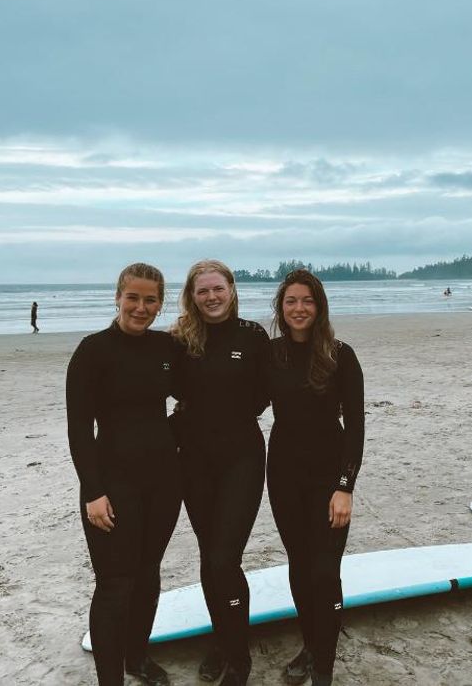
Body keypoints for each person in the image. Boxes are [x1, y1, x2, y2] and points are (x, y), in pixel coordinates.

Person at [66, 263, 180, 686]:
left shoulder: (168, 347)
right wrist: (93, 491)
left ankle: (138, 658)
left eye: (150, 300)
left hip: (165, 481)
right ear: (118, 297)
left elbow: (202, 392)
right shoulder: (93, 351)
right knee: (115, 583)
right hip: (112, 484)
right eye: (133, 297)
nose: (141, 307)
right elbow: (79, 429)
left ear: (160, 303)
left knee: (149, 573)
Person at [170, 260, 269, 686]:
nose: (211, 297)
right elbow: (152, 384)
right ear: (192, 296)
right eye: (202, 291)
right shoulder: (179, 339)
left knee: (224, 558)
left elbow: (268, 391)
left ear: (232, 289)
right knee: (210, 560)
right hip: (193, 460)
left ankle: (239, 659)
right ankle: (223, 641)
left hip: (241, 458)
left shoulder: (253, 335)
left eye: (217, 289)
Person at [266, 269, 364, 686]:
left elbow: (356, 428)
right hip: (284, 473)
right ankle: (311, 645)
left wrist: (345, 487)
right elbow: (234, 396)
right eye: (291, 301)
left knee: (325, 571)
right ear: (281, 308)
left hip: (329, 478)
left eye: (307, 301)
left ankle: (323, 669)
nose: (299, 308)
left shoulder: (342, 355)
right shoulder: (270, 355)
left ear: (319, 306)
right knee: (300, 566)